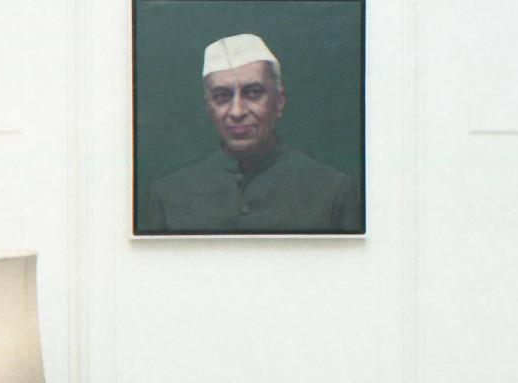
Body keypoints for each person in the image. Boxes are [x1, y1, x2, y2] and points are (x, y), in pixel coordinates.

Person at [144, 33, 363, 234]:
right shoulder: (169, 196)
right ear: (208, 107)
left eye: (253, 93)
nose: (237, 112)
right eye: (222, 96)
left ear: (279, 102)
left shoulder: (333, 192)